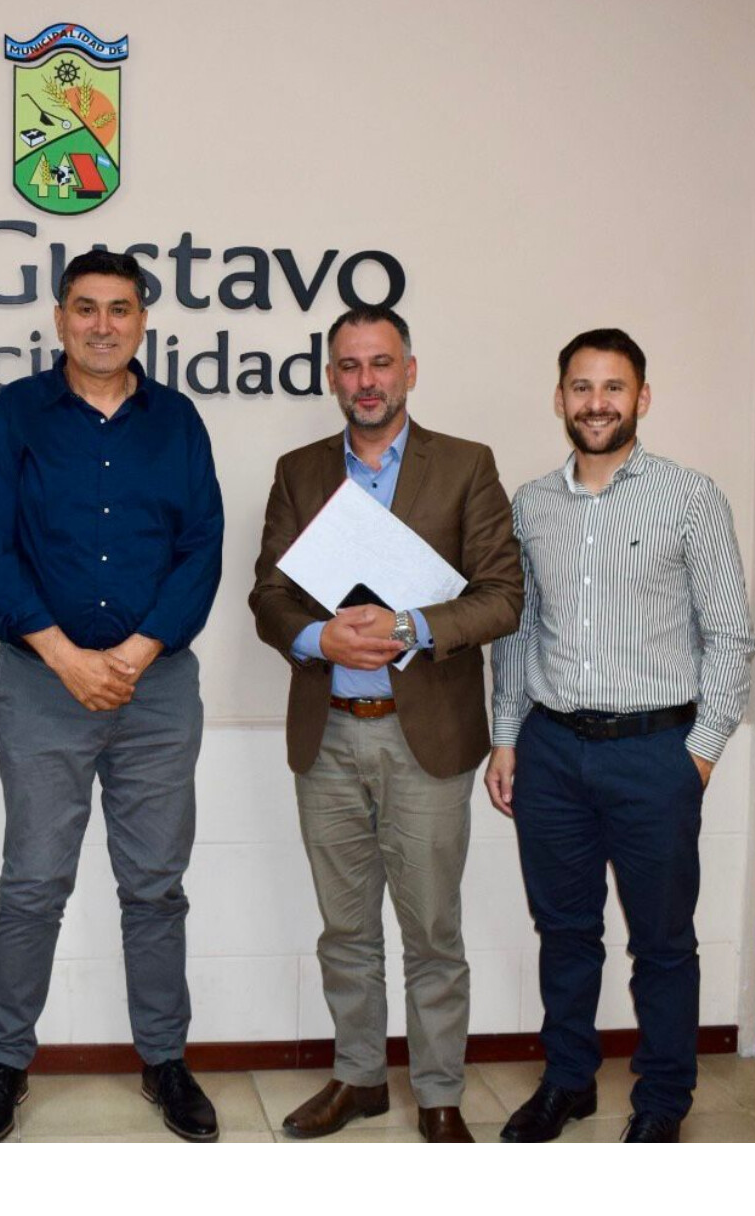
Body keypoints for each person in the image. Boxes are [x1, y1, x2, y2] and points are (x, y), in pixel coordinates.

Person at [0, 249, 225, 1142]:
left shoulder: (178, 421)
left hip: (158, 689)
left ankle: (165, 1061)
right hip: (41, 685)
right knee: (34, 882)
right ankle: (5, 1063)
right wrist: (66, 656)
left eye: (119, 308)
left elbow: (202, 547)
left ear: (142, 320)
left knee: (154, 885)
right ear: (59, 318)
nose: (102, 325)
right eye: (86, 307)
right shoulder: (14, 415)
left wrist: (139, 652)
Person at [249, 304, 523, 1142]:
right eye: (349, 365)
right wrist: (316, 637)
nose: (365, 381)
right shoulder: (300, 471)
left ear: (409, 370)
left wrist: (412, 627)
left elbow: (503, 597)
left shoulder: (466, 466)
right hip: (327, 730)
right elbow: (269, 594)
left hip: (426, 737)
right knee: (345, 927)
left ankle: (439, 1092)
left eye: (380, 363)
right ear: (332, 377)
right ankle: (360, 1078)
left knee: (432, 929)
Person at [488, 328, 755, 1142]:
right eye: (581, 387)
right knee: (565, 932)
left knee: (663, 943)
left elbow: (731, 634)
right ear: (559, 399)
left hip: (655, 755)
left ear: (642, 398)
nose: (596, 403)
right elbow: (518, 631)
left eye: (613, 387)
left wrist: (699, 754)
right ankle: (569, 1081)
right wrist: (507, 738)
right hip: (551, 752)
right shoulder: (531, 505)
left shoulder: (690, 497)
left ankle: (663, 1100)